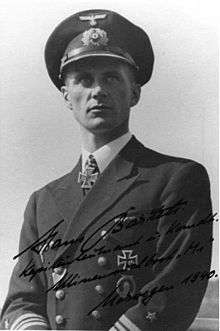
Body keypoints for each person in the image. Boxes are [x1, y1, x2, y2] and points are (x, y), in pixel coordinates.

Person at [0, 9, 213, 331]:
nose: (97, 90)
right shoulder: (42, 202)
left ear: (135, 93)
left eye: (111, 78)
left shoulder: (176, 178)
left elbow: (176, 288)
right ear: (66, 97)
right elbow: (21, 302)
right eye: (84, 80)